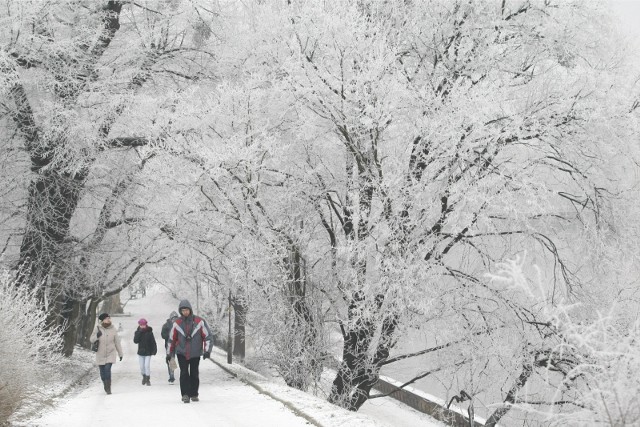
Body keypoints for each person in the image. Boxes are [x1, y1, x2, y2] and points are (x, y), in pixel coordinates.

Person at [166, 300, 213, 403]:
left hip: (195, 352)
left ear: (190, 310)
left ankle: (194, 393)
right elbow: (171, 339)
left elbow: (207, 336)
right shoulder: (177, 323)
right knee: (184, 373)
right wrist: (169, 353)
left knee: (194, 374)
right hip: (181, 352)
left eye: (186, 310)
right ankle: (185, 395)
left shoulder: (200, 322)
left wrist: (207, 351)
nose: (185, 312)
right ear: (180, 311)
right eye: (183, 310)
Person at [90, 313, 123, 395]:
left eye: (109, 318)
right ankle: (105, 383)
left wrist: (120, 353)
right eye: (107, 318)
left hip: (111, 353)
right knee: (102, 373)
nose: (108, 319)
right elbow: (91, 339)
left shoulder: (113, 329)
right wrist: (97, 336)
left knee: (107, 369)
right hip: (100, 353)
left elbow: (117, 342)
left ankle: (108, 388)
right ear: (102, 320)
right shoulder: (97, 328)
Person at [133, 318, 157, 386]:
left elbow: (153, 342)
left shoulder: (149, 332)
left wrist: (154, 350)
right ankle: (144, 376)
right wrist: (139, 333)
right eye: (141, 325)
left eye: (144, 325)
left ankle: (148, 379)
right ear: (139, 325)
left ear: (146, 325)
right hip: (141, 352)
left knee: (147, 366)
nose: (142, 326)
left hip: (148, 352)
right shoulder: (137, 332)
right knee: (141, 367)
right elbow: (135, 341)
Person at [161, 311, 179, 383]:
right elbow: (163, 335)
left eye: (176, 318)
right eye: (173, 318)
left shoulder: (180, 324)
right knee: (171, 359)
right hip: (169, 345)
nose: (174, 319)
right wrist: (170, 337)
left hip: (179, 345)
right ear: (170, 318)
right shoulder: (166, 325)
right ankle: (171, 375)